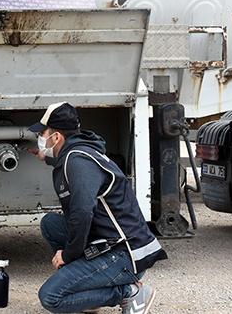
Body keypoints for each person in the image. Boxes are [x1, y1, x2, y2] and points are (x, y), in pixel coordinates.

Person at [29, 102, 167, 314]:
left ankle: (128, 291)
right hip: (111, 243)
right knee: (51, 224)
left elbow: (82, 212)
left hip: (125, 254)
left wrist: (68, 254)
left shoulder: (78, 161)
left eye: (43, 133)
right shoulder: (80, 153)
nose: (40, 138)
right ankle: (88, 293)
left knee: (51, 297)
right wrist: (45, 158)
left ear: (56, 137)